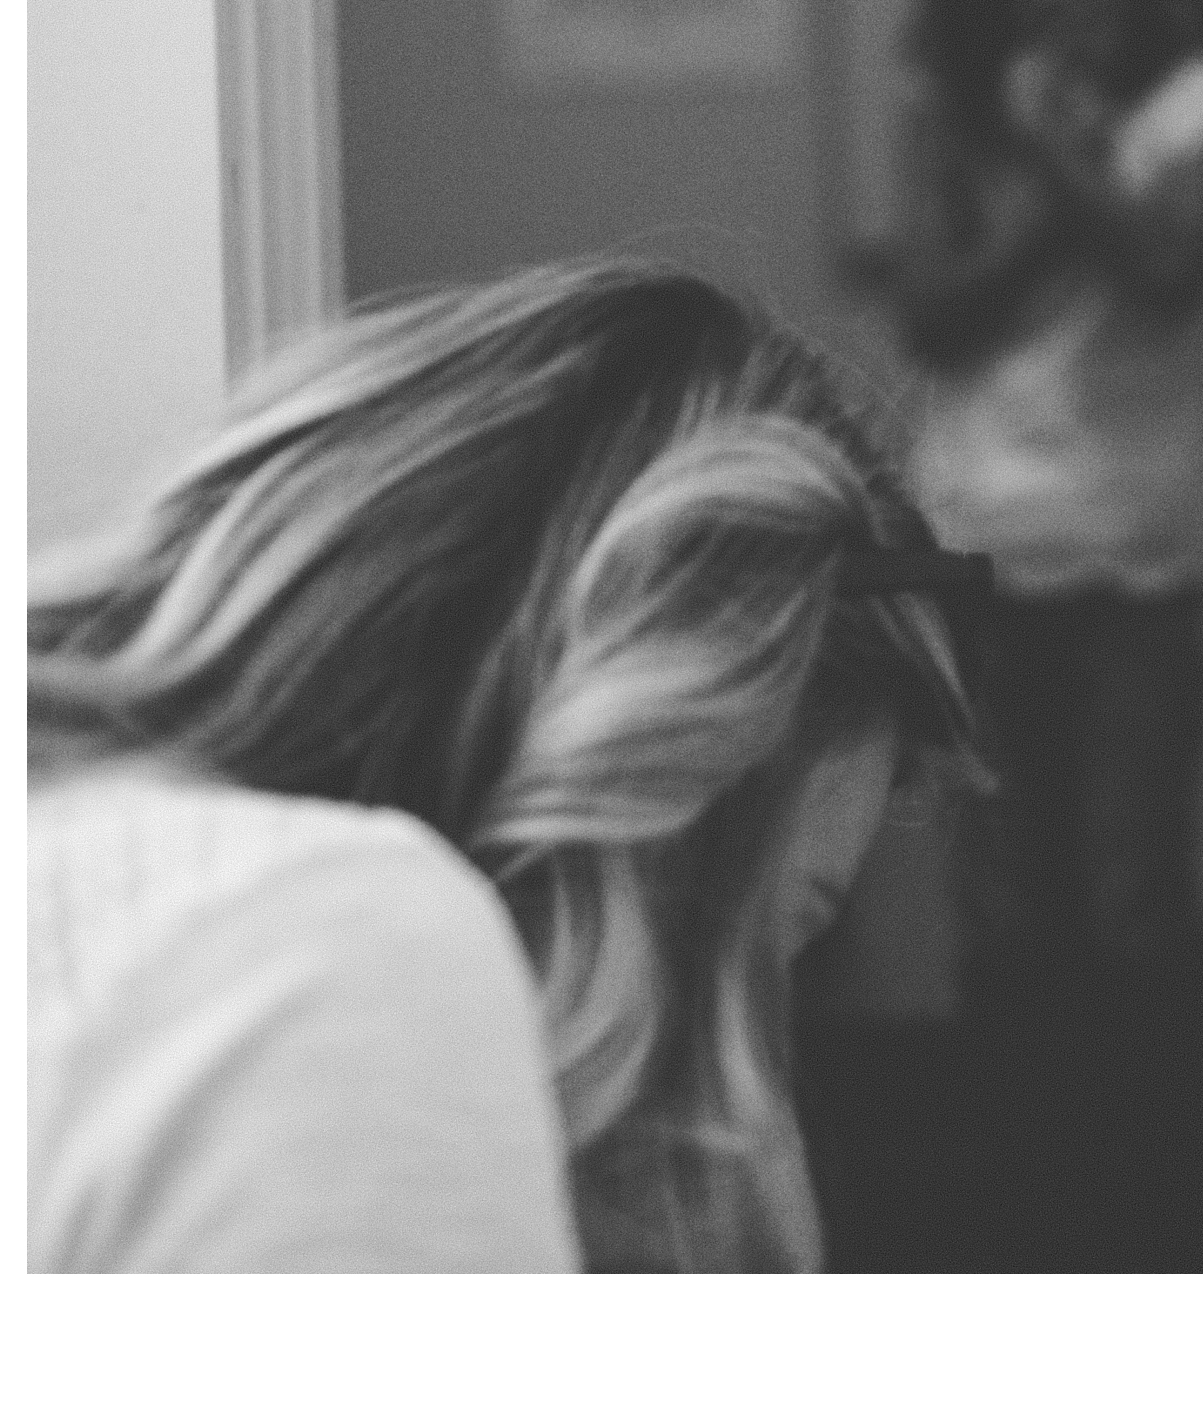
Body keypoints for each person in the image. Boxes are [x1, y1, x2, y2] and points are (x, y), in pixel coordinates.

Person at [27, 258, 976, 1271]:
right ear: (633, 783)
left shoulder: (99, 864)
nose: (758, 1075)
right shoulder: (345, 960)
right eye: (775, 937)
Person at [847, 0, 1203, 1267]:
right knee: (1006, 903)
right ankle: (1027, 1218)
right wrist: (1033, 160)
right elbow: (934, 310)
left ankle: (1174, 1218)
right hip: (974, 532)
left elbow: (1167, 272)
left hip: (1138, 544)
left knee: (1134, 893)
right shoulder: (949, 104)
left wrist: (1068, 151)